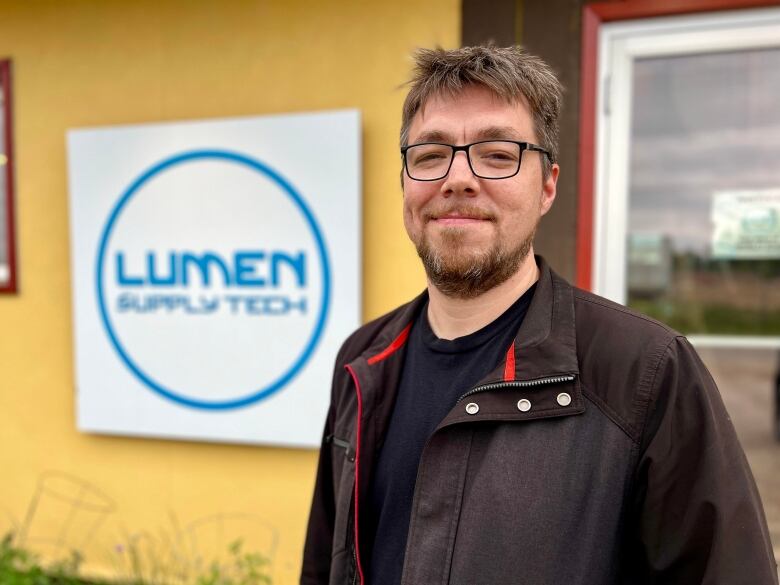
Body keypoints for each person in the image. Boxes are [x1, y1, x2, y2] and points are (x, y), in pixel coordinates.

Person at [300, 45, 778, 585]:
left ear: (547, 185)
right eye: (431, 155)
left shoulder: (644, 373)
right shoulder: (364, 359)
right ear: (405, 183)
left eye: (498, 154)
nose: (457, 178)